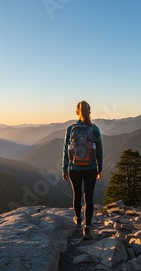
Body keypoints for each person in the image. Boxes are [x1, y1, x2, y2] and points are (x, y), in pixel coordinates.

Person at [62, 100, 103, 239]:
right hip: (91, 168)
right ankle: (88, 228)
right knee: (89, 197)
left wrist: (64, 168)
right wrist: (99, 167)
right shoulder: (94, 129)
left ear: (76, 112)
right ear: (89, 111)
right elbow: (99, 151)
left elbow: (66, 150)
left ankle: (78, 221)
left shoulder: (70, 129)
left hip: (74, 168)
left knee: (77, 194)